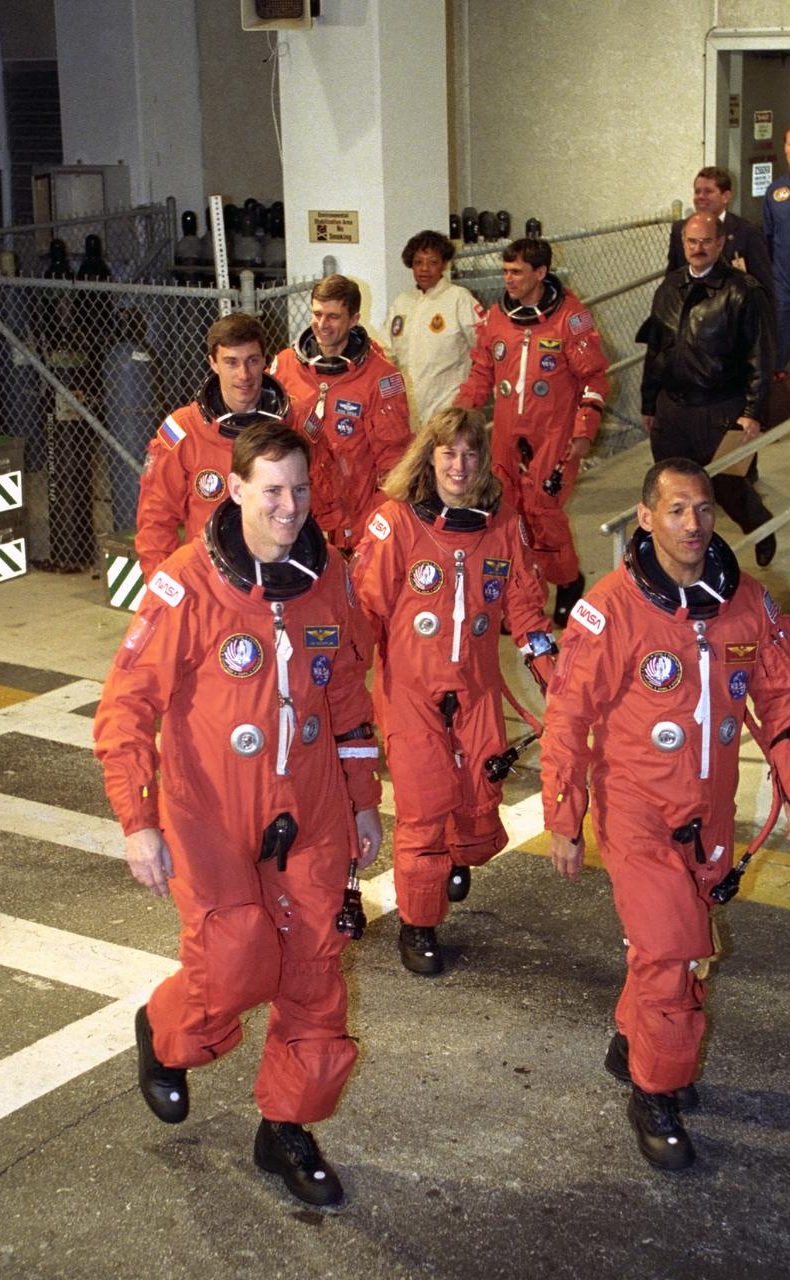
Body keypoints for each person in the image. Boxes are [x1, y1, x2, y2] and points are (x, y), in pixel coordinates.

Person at [94, 420, 382, 1207]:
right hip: (211, 815)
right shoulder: (185, 586)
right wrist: (138, 821)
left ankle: (286, 1126)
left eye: (301, 490)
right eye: (274, 491)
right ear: (237, 490)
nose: (290, 507)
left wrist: (363, 804)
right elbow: (124, 710)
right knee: (235, 961)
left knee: (314, 976)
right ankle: (166, 1032)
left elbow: (350, 699)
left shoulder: (331, 579)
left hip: (313, 814)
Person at [540, 457, 790, 1173]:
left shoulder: (746, 602)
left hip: (711, 814)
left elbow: (781, 697)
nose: (693, 525)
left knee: (686, 950)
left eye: (701, 510)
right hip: (637, 811)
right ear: (645, 517)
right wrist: (565, 818)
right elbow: (568, 719)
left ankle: (634, 1040)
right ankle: (655, 1092)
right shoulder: (611, 608)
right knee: (670, 946)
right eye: (675, 511)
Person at [351, 407, 556, 977]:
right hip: (411, 691)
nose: (459, 465)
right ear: (430, 456)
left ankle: (455, 859)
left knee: (478, 799)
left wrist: (549, 669)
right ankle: (419, 926)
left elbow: (523, 604)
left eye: (469, 453)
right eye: (448, 452)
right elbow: (365, 612)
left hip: (478, 691)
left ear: (481, 460)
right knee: (423, 808)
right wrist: (338, 683)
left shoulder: (501, 526)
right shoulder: (395, 523)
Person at [454, 238, 610, 626]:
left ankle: (568, 580)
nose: (508, 279)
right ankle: (524, 599)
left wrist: (583, 430)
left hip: (554, 432)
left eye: (517, 272)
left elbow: (593, 377)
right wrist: (457, 416)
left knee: (543, 510)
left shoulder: (570, 318)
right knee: (508, 513)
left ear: (540, 273)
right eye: (505, 271)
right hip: (508, 433)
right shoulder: (496, 318)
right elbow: (481, 373)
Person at [639, 212, 777, 568]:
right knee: (674, 491)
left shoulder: (743, 291)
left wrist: (752, 414)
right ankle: (688, 560)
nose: (698, 249)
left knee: (728, 489)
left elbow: (761, 357)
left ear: (719, 244)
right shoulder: (668, 288)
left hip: (722, 410)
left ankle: (761, 527)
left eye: (705, 241)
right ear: (683, 243)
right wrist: (648, 404)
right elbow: (655, 352)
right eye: (691, 241)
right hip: (673, 410)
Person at [135, 313, 288, 582]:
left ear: (266, 361)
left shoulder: (292, 422)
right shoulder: (183, 431)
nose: (244, 374)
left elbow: (320, 499)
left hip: (279, 574)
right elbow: (156, 520)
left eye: (252, 360)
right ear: (213, 364)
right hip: (210, 581)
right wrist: (165, 588)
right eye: (231, 362)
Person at [271, 274, 412, 554]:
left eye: (333, 316)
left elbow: (394, 466)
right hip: (294, 510)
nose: (322, 325)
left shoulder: (381, 379)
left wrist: (370, 528)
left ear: (354, 318)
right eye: (317, 314)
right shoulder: (284, 366)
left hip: (353, 520)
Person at [384, 229, 485, 429]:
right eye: (418, 262)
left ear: (444, 265)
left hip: (448, 407)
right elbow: (385, 354)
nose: (424, 269)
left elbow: (486, 347)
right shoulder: (402, 303)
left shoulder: (459, 298)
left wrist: (469, 397)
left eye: (432, 262)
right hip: (407, 412)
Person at [665, 167, 775, 308]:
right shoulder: (680, 230)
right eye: (697, 191)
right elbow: (672, 279)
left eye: (708, 191)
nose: (700, 197)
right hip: (691, 314)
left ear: (726, 197)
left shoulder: (747, 232)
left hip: (732, 317)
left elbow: (764, 286)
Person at [762, 119, 790, 374]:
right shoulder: (774, 191)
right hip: (781, 281)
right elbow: (767, 237)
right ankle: (778, 402)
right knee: (778, 346)